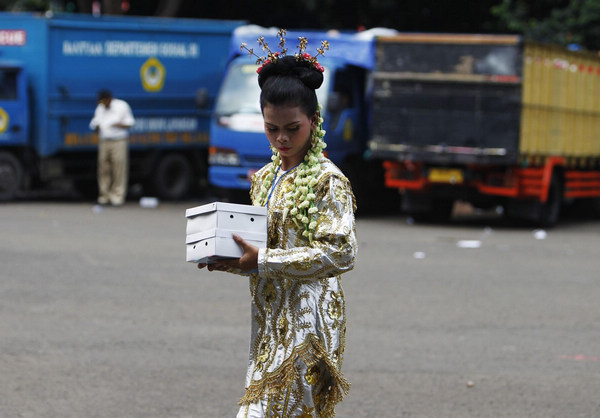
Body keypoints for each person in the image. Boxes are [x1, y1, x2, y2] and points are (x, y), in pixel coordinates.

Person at [198, 33, 357, 418]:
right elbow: (262, 249)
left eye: (292, 127)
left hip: (308, 319)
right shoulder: (266, 177)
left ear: (314, 121)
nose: (282, 138)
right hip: (269, 318)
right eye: (272, 128)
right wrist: (231, 259)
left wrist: (263, 261)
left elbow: (341, 252)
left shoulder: (326, 180)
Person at [89, 89, 135, 206]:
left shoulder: (121, 106)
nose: (103, 104)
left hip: (118, 141)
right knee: (103, 168)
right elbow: (94, 122)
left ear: (109, 99)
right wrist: (97, 127)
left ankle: (117, 197)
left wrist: (118, 125)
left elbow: (130, 123)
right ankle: (104, 196)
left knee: (118, 168)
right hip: (104, 141)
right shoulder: (100, 108)